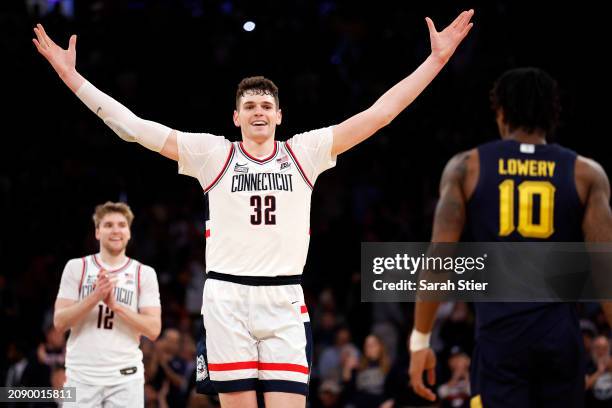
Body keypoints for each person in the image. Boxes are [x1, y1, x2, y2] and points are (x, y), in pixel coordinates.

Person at [34, 10, 474, 407]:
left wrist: (435, 61)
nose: (258, 111)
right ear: (235, 116)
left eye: (266, 106)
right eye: (250, 106)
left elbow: (380, 114)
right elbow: (133, 128)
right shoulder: (213, 155)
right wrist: (73, 79)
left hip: (283, 297)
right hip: (227, 298)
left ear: (280, 115)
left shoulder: (305, 152)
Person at [408, 67, 612, 407]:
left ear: (500, 112)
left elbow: (438, 259)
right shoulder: (586, 173)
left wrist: (420, 341)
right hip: (560, 341)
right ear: (553, 113)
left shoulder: (467, 167)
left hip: (500, 341)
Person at [54, 201, 162, 407]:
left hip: (125, 376)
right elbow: (59, 323)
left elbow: (153, 329)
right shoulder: (77, 267)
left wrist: (116, 305)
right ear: (97, 232)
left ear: (129, 233)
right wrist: (94, 297)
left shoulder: (144, 273)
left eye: (122, 225)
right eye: (108, 225)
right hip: (81, 375)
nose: (116, 230)